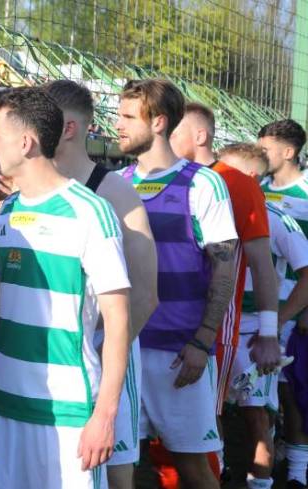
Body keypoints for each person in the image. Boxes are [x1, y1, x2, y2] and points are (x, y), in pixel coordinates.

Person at [0, 87, 130, 487]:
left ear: (25, 142)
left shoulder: (90, 211)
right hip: (5, 402)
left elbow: (118, 320)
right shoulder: (9, 210)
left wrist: (105, 416)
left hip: (67, 412)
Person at [115, 79, 238, 489]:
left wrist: (203, 340)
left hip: (178, 355)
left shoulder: (203, 183)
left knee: (193, 468)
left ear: (159, 122)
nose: (117, 125)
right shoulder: (117, 183)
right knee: (121, 468)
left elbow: (224, 268)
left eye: (127, 116)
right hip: (124, 350)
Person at [41, 79, 158, 489]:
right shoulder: (33, 190)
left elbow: (146, 294)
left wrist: (105, 356)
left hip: (102, 359)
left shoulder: (114, 192)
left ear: (67, 129)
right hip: (47, 364)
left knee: (114, 470)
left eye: (39, 120)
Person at [167, 101, 280, 484]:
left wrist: (269, 333)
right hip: (163, 324)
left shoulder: (237, 183)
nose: (166, 136)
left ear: (200, 135)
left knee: (201, 427)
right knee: (168, 435)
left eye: (176, 130)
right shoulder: (162, 178)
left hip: (214, 328)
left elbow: (262, 264)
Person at [219, 142, 308, 489]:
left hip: (254, 334)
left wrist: (278, 323)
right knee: (209, 410)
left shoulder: (278, 220)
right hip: (214, 331)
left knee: (258, 416)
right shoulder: (208, 210)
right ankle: (219, 473)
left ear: (251, 177)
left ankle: (267, 481)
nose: (217, 178)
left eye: (228, 173)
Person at [258, 119, 308, 489]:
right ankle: (270, 458)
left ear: (288, 152)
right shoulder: (257, 188)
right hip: (262, 308)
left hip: (294, 308)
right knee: (262, 392)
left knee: (292, 391)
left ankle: (297, 473)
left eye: (266, 149)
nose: (259, 154)